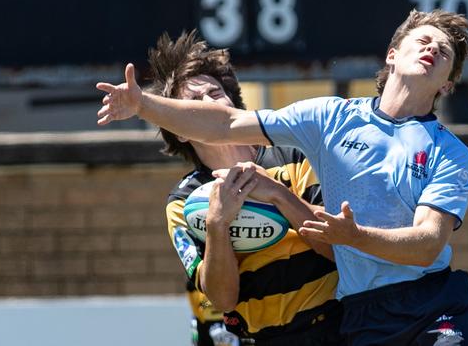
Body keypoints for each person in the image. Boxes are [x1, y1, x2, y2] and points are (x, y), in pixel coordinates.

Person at [97, 9, 468, 345]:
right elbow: (227, 125)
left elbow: (409, 244)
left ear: (448, 84)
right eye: (423, 40)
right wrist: (142, 104)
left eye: (443, 51)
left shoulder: (447, 153)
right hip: (349, 320)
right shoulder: (327, 121)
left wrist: (285, 198)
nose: (432, 49)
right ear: (391, 55)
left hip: (402, 307)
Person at [146, 31, 343, 345]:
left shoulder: (295, 154)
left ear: (232, 102)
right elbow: (223, 299)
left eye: (215, 92)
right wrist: (217, 224)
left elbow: (339, 248)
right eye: (194, 101)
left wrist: (278, 195)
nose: (209, 103)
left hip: (339, 327)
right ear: (180, 130)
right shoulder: (184, 201)